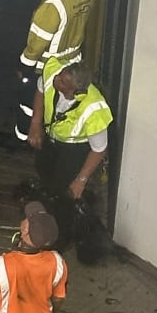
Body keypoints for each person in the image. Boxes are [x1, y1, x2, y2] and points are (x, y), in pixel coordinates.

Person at [0, 0, 113, 151]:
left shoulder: (54, 6)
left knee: (28, 103)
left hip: (44, 68)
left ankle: (23, 139)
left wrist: (24, 68)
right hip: (70, 63)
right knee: (53, 103)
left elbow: (36, 45)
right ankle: (45, 135)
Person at [28, 57, 114, 247]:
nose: (57, 78)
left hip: (74, 150)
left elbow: (99, 149)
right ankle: (44, 214)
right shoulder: (54, 73)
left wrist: (80, 180)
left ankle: (59, 238)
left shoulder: (94, 109)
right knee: (43, 170)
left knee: (63, 190)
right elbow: (41, 91)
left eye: (64, 81)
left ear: (76, 90)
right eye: (61, 74)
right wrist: (35, 124)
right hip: (51, 139)